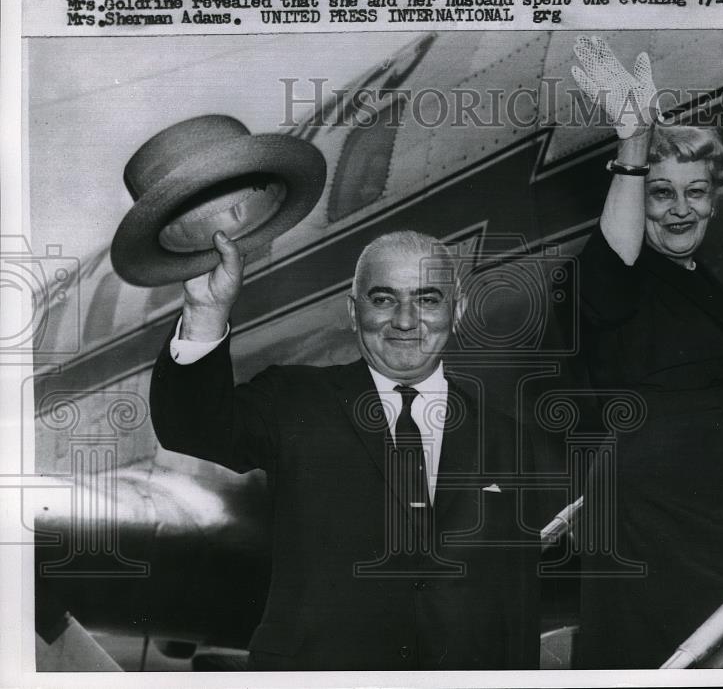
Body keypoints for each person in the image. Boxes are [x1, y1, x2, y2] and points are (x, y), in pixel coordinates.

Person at [149, 229, 540, 670]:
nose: (406, 321)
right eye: (384, 299)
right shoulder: (292, 400)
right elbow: (192, 427)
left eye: (428, 299)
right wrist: (205, 311)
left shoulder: (509, 441)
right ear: (354, 312)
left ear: (459, 310)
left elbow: (517, 603)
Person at [569, 36, 723, 668]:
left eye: (696, 192)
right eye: (660, 193)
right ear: (635, 200)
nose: (681, 209)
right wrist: (632, 142)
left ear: (715, 197)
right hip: (657, 515)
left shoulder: (706, 285)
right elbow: (614, 254)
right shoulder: (623, 273)